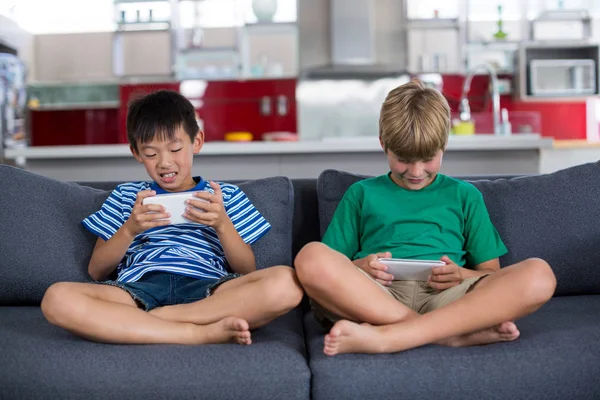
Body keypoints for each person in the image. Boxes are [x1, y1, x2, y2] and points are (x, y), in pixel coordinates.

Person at [294, 79, 556, 356]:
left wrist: (460, 274)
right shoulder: (360, 194)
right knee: (310, 257)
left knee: (540, 275)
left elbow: (491, 274)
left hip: (449, 298)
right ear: (384, 144)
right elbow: (334, 264)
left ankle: (390, 337)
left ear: (444, 145)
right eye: (403, 159)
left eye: (428, 158)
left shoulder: (465, 196)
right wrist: (361, 266)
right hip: (374, 298)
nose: (416, 171)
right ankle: (443, 336)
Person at [41, 90, 303, 345]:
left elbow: (247, 270)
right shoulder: (126, 196)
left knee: (287, 282)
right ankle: (195, 334)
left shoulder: (225, 196)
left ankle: (162, 320)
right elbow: (96, 271)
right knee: (57, 298)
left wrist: (222, 224)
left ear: (196, 142)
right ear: (136, 153)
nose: (165, 163)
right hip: (138, 288)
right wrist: (130, 229)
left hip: (209, 289)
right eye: (151, 154)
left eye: (175, 148)